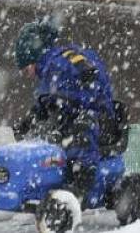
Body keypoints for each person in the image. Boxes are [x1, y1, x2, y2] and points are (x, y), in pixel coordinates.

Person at [12, 18, 120, 202]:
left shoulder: (62, 62)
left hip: (99, 118)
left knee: (81, 130)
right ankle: (41, 178)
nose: (27, 75)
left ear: (33, 58)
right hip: (78, 112)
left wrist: (65, 103)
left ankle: (82, 181)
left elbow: (91, 88)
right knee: (45, 132)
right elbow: (47, 101)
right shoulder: (51, 66)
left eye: (26, 69)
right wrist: (30, 120)